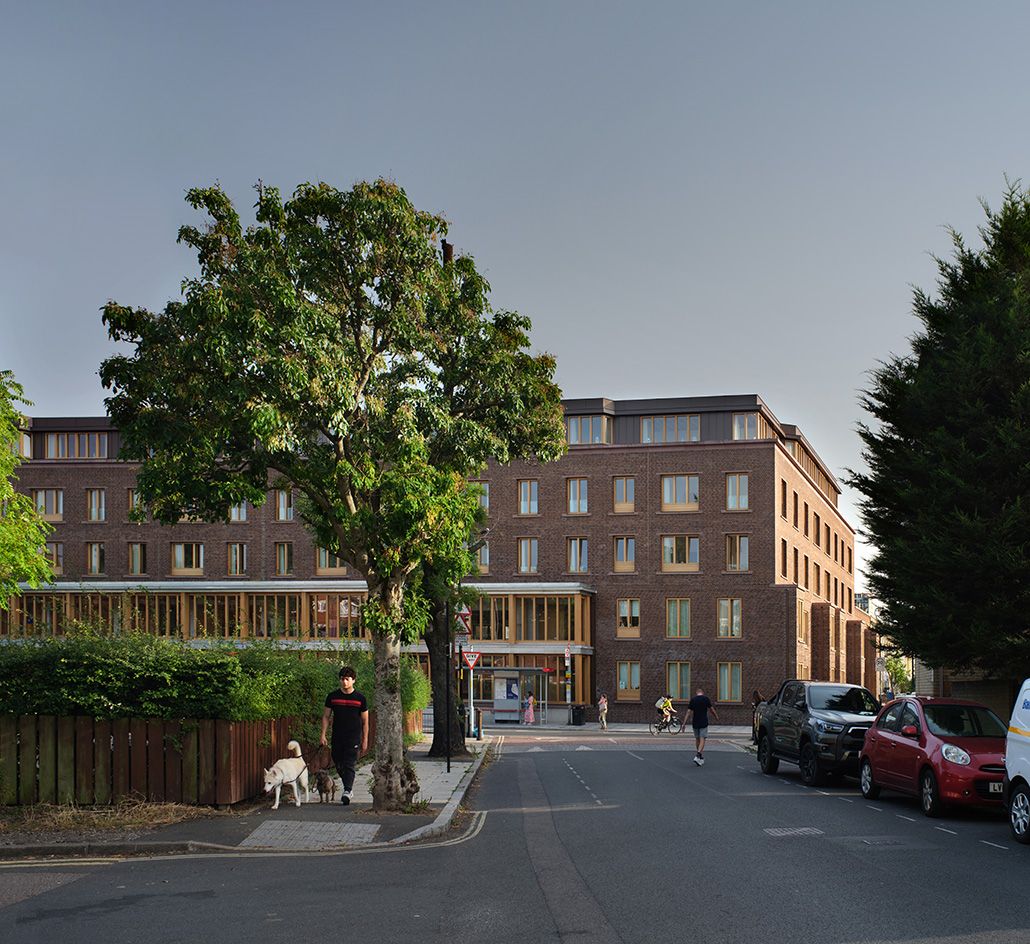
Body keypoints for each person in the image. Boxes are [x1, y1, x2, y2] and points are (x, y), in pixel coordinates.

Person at [320, 666, 369, 805]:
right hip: (337, 736)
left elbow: (365, 721)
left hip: (353, 737)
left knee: (349, 763)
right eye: (342, 679)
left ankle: (347, 790)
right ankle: (348, 784)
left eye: (347, 679)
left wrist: (365, 740)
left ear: (353, 680)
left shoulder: (360, 698)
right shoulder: (332, 697)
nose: (344, 682)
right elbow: (326, 716)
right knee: (338, 762)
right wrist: (323, 734)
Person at [686, 687, 718, 766]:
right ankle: (698, 755)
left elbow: (688, 712)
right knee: (702, 738)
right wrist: (716, 716)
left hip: (695, 722)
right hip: (703, 721)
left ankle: (699, 757)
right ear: (702, 693)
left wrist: (683, 724)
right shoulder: (705, 699)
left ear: (697, 693)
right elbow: (711, 709)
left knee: (697, 739)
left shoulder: (693, 700)